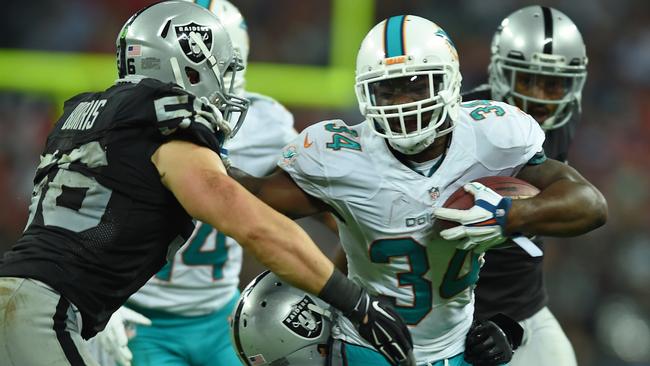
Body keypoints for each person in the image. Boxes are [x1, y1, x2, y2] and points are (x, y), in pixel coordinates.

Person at [0, 2, 414, 366]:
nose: (225, 82)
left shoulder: (89, 110)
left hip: (32, 297)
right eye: (222, 67)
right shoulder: (163, 118)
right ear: (187, 61)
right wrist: (355, 302)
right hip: (42, 311)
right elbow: (252, 224)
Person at [228, 14, 607, 366]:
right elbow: (244, 201)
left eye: (415, 86)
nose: (404, 103)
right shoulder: (340, 156)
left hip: (457, 347)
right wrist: (192, 152)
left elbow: (589, 205)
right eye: (387, 90)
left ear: (450, 83)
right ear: (366, 95)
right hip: (367, 348)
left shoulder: (492, 136)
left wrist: (512, 214)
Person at [90, 1, 300, 365]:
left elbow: (316, 195)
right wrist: (95, 300)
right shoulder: (129, 121)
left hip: (224, 314)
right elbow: (83, 219)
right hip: (142, 318)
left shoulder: (266, 123)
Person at [462, 6, 589, 365]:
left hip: (527, 309)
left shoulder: (562, 119)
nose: (539, 97)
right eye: (527, 80)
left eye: (554, 84)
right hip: (460, 316)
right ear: (500, 73)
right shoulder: (465, 123)